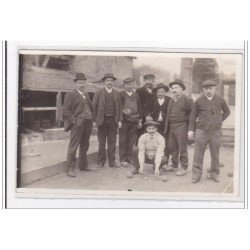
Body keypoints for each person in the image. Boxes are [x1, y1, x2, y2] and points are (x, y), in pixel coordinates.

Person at [188, 80, 230, 183]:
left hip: (216, 131)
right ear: (203, 89)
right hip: (201, 131)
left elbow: (227, 112)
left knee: (215, 153)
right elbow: (193, 116)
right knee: (198, 153)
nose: (208, 91)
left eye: (211, 88)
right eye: (206, 89)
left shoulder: (220, 100)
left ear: (215, 89)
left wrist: (219, 121)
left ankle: (214, 174)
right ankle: (196, 175)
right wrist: (190, 130)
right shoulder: (198, 101)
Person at [62, 73, 94, 177]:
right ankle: (70, 168)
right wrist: (74, 120)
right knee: (73, 146)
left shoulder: (86, 94)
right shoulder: (70, 94)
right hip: (77, 124)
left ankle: (83, 165)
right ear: (76, 83)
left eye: (83, 83)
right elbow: (65, 110)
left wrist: (91, 117)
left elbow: (90, 108)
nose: (82, 85)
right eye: (80, 83)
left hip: (88, 123)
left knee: (85, 145)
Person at [92, 73, 123, 169]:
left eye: (111, 81)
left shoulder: (117, 93)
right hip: (102, 120)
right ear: (104, 82)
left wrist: (120, 120)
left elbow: (120, 107)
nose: (109, 82)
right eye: (108, 80)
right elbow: (94, 107)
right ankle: (101, 162)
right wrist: (94, 121)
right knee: (101, 142)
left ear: (113, 82)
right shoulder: (98, 92)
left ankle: (112, 162)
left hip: (113, 121)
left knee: (112, 142)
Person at [164, 79, 193, 176]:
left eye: (176, 88)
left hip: (182, 126)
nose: (174, 90)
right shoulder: (171, 99)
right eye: (173, 88)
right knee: (172, 147)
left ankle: (184, 167)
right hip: (171, 127)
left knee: (182, 148)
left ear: (181, 89)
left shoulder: (187, 100)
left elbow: (192, 116)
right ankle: (175, 165)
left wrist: (190, 130)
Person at [119, 78, 143, 167]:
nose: (129, 86)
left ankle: (129, 158)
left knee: (131, 141)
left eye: (131, 85)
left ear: (133, 85)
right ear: (125, 86)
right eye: (128, 85)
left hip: (134, 121)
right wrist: (122, 114)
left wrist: (140, 120)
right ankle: (122, 159)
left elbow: (139, 108)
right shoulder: (121, 94)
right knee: (123, 140)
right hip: (124, 121)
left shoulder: (136, 95)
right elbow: (118, 107)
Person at [146, 83, 171, 160]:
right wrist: (148, 115)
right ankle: (154, 160)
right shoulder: (152, 100)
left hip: (166, 125)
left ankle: (165, 161)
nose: (160, 93)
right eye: (158, 92)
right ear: (156, 92)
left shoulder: (169, 100)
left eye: (162, 92)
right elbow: (147, 110)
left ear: (165, 92)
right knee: (154, 142)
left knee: (165, 142)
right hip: (154, 125)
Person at [136, 74, 157, 141]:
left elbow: (157, 101)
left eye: (151, 80)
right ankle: (139, 147)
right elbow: (137, 102)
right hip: (141, 113)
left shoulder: (156, 90)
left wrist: (152, 94)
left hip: (151, 114)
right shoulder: (139, 90)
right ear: (145, 80)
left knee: (151, 130)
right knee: (140, 130)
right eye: (148, 80)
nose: (149, 81)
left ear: (153, 81)